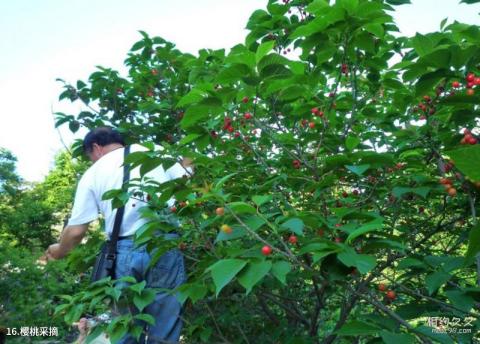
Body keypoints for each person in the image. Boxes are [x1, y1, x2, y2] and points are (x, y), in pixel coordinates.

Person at [44, 127, 192, 344]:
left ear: (96, 147)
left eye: (89, 156)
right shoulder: (155, 152)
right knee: (165, 329)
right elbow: (187, 173)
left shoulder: (93, 173)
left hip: (122, 253)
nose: (91, 161)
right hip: (164, 245)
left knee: (124, 326)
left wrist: (58, 250)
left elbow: (76, 231)